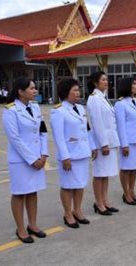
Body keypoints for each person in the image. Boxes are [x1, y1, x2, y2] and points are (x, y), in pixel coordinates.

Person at [3, 77, 48, 243]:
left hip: (38, 157)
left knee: (33, 192)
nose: (35, 91)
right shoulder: (11, 110)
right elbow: (14, 138)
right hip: (21, 160)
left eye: (35, 88)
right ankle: (21, 228)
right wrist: (32, 159)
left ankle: (33, 224)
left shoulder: (35, 107)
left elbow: (43, 131)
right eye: (31, 88)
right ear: (20, 92)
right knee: (19, 194)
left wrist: (43, 154)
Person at [50, 78, 97, 228]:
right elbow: (58, 137)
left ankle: (77, 210)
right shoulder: (58, 111)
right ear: (66, 92)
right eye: (75, 90)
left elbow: (87, 130)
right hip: (70, 155)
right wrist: (65, 157)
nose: (78, 92)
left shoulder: (80, 108)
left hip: (82, 153)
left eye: (78, 89)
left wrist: (93, 146)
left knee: (80, 184)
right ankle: (68, 213)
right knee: (68, 185)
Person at [86, 71, 120, 215]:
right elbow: (97, 123)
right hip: (102, 143)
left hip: (110, 141)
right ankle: (98, 202)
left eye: (107, 80)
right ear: (95, 82)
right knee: (99, 174)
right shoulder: (94, 98)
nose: (106, 82)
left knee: (106, 173)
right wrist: (103, 144)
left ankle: (105, 200)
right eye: (103, 80)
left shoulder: (104, 98)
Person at [114, 77, 136, 205]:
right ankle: (126, 193)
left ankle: (132, 191)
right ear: (127, 86)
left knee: (134, 167)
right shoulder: (120, 104)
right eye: (133, 84)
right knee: (126, 168)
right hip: (128, 141)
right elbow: (120, 125)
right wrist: (124, 144)